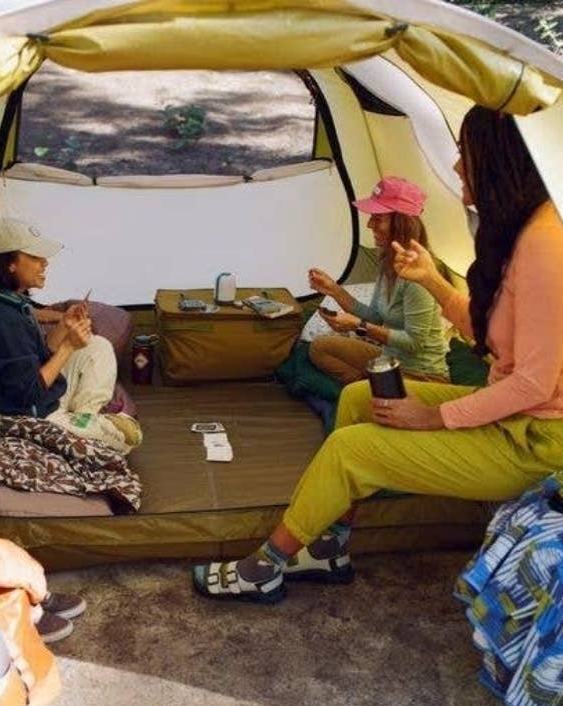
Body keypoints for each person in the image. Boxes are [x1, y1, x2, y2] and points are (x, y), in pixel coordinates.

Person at [193, 105, 563, 603]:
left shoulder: (546, 244)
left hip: (536, 440)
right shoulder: (522, 232)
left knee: (351, 449)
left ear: (501, 159)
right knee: (356, 400)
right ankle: (331, 547)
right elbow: (489, 335)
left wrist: (433, 416)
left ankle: (264, 567)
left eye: (464, 154)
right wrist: (432, 278)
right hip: (511, 413)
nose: (456, 168)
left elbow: (535, 384)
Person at [0, 216, 142, 453]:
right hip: (24, 410)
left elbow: (37, 355)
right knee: (131, 435)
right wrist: (68, 346)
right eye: (35, 257)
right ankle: (76, 427)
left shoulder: (10, 300)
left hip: (38, 394)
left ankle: (83, 419)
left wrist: (64, 326)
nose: (45, 263)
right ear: (9, 264)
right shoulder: (0, 318)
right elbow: (31, 391)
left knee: (97, 346)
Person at [307, 176, 451, 386]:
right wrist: (334, 290)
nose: (369, 224)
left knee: (359, 394)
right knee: (320, 348)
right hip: (389, 360)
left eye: (377, 218)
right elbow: (374, 316)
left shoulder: (420, 273)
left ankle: (368, 388)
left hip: (421, 374)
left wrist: (359, 326)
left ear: (401, 223)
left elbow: (414, 343)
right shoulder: (388, 262)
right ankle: (368, 385)